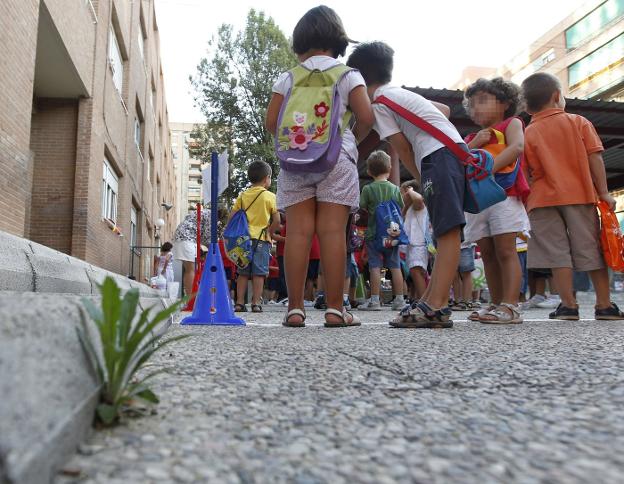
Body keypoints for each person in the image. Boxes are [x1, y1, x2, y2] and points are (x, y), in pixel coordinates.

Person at [265, 5, 374, 327]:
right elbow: (367, 118)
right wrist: (349, 138)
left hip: (294, 160)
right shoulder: (347, 74)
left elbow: (272, 122)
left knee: (298, 233)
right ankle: (335, 309)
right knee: (331, 233)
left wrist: (300, 139)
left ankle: (295, 309)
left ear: (299, 42)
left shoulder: (287, 78)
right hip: (337, 158)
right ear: (336, 40)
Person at [347, 41, 463, 328]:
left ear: (359, 81)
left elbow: (403, 148)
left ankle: (436, 306)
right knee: (447, 230)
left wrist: (423, 179)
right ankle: (431, 300)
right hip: (452, 152)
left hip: (436, 157)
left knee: (448, 233)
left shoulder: (379, 104)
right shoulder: (397, 94)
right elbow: (443, 110)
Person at [521, 72, 624, 320]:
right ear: (558, 96)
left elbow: (525, 174)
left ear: (527, 106)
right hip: (580, 195)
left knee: (557, 253)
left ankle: (568, 305)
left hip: (542, 200)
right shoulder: (578, 122)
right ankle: (604, 305)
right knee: (590, 248)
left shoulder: (528, 133)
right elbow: (595, 158)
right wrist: (603, 192)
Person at [462, 77, 530, 324]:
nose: (475, 108)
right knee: (488, 253)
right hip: (479, 201)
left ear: (505, 103)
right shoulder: (472, 137)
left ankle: (511, 305)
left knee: (505, 250)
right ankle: (495, 302)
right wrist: (475, 144)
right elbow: (461, 162)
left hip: (505, 195)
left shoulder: (512, 123)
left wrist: (488, 169)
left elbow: (517, 147)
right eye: (472, 104)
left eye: (482, 101)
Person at [230, 161, 279, 313]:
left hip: (242, 240)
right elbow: (277, 220)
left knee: (243, 272)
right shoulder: (270, 196)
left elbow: (232, 217)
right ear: (266, 178)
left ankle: (239, 303)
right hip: (261, 240)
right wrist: (269, 233)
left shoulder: (243, 196)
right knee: (259, 273)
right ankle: (256, 303)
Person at [359, 150, 405, 311]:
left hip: (374, 234)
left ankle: (375, 300)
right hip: (392, 234)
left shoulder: (368, 189)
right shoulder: (394, 188)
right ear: (390, 168)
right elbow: (401, 206)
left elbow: (362, 208)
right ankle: (400, 300)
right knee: (395, 266)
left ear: (369, 171)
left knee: (375, 267)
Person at [400, 180, 428, 304]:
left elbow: (418, 199)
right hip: (413, 245)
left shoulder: (418, 206)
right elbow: (402, 215)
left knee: (416, 271)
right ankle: (419, 299)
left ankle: (423, 301)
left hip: (419, 244)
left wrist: (410, 191)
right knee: (415, 272)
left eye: (403, 193)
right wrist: (405, 205)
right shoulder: (410, 207)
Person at [172, 208, 210, 297]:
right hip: (187, 238)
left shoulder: (202, 212)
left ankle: (190, 297)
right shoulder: (210, 215)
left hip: (182, 237)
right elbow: (207, 237)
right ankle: (191, 299)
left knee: (190, 269)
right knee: (190, 270)